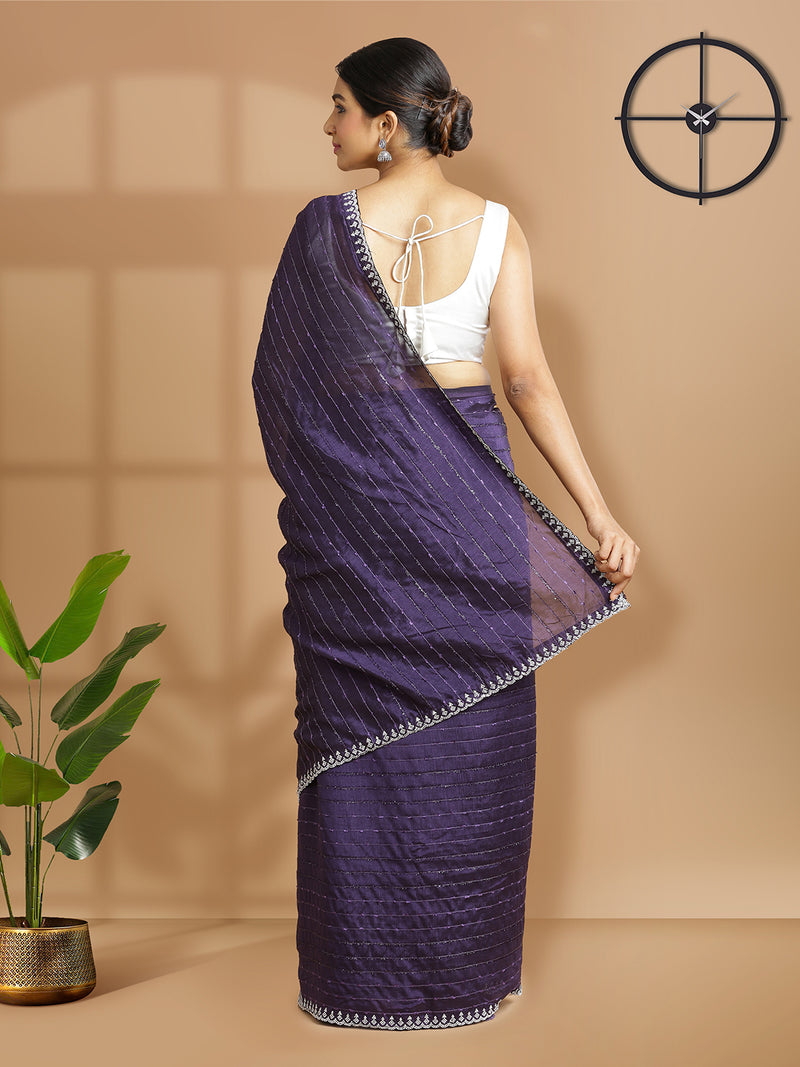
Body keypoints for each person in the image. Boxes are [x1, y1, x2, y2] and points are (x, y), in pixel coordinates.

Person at [252, 37, 639, 1031]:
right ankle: (470, 974)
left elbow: (284, 390)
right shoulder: (498, 228)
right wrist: (596, 513)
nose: (328, 125)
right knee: (481, 740)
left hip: (358, 522)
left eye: (339, 107)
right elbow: (526, 383)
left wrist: (331, 496)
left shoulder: (319, 231)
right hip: (472, 509)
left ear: (386, 123)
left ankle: (355, 981)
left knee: (363, 744)